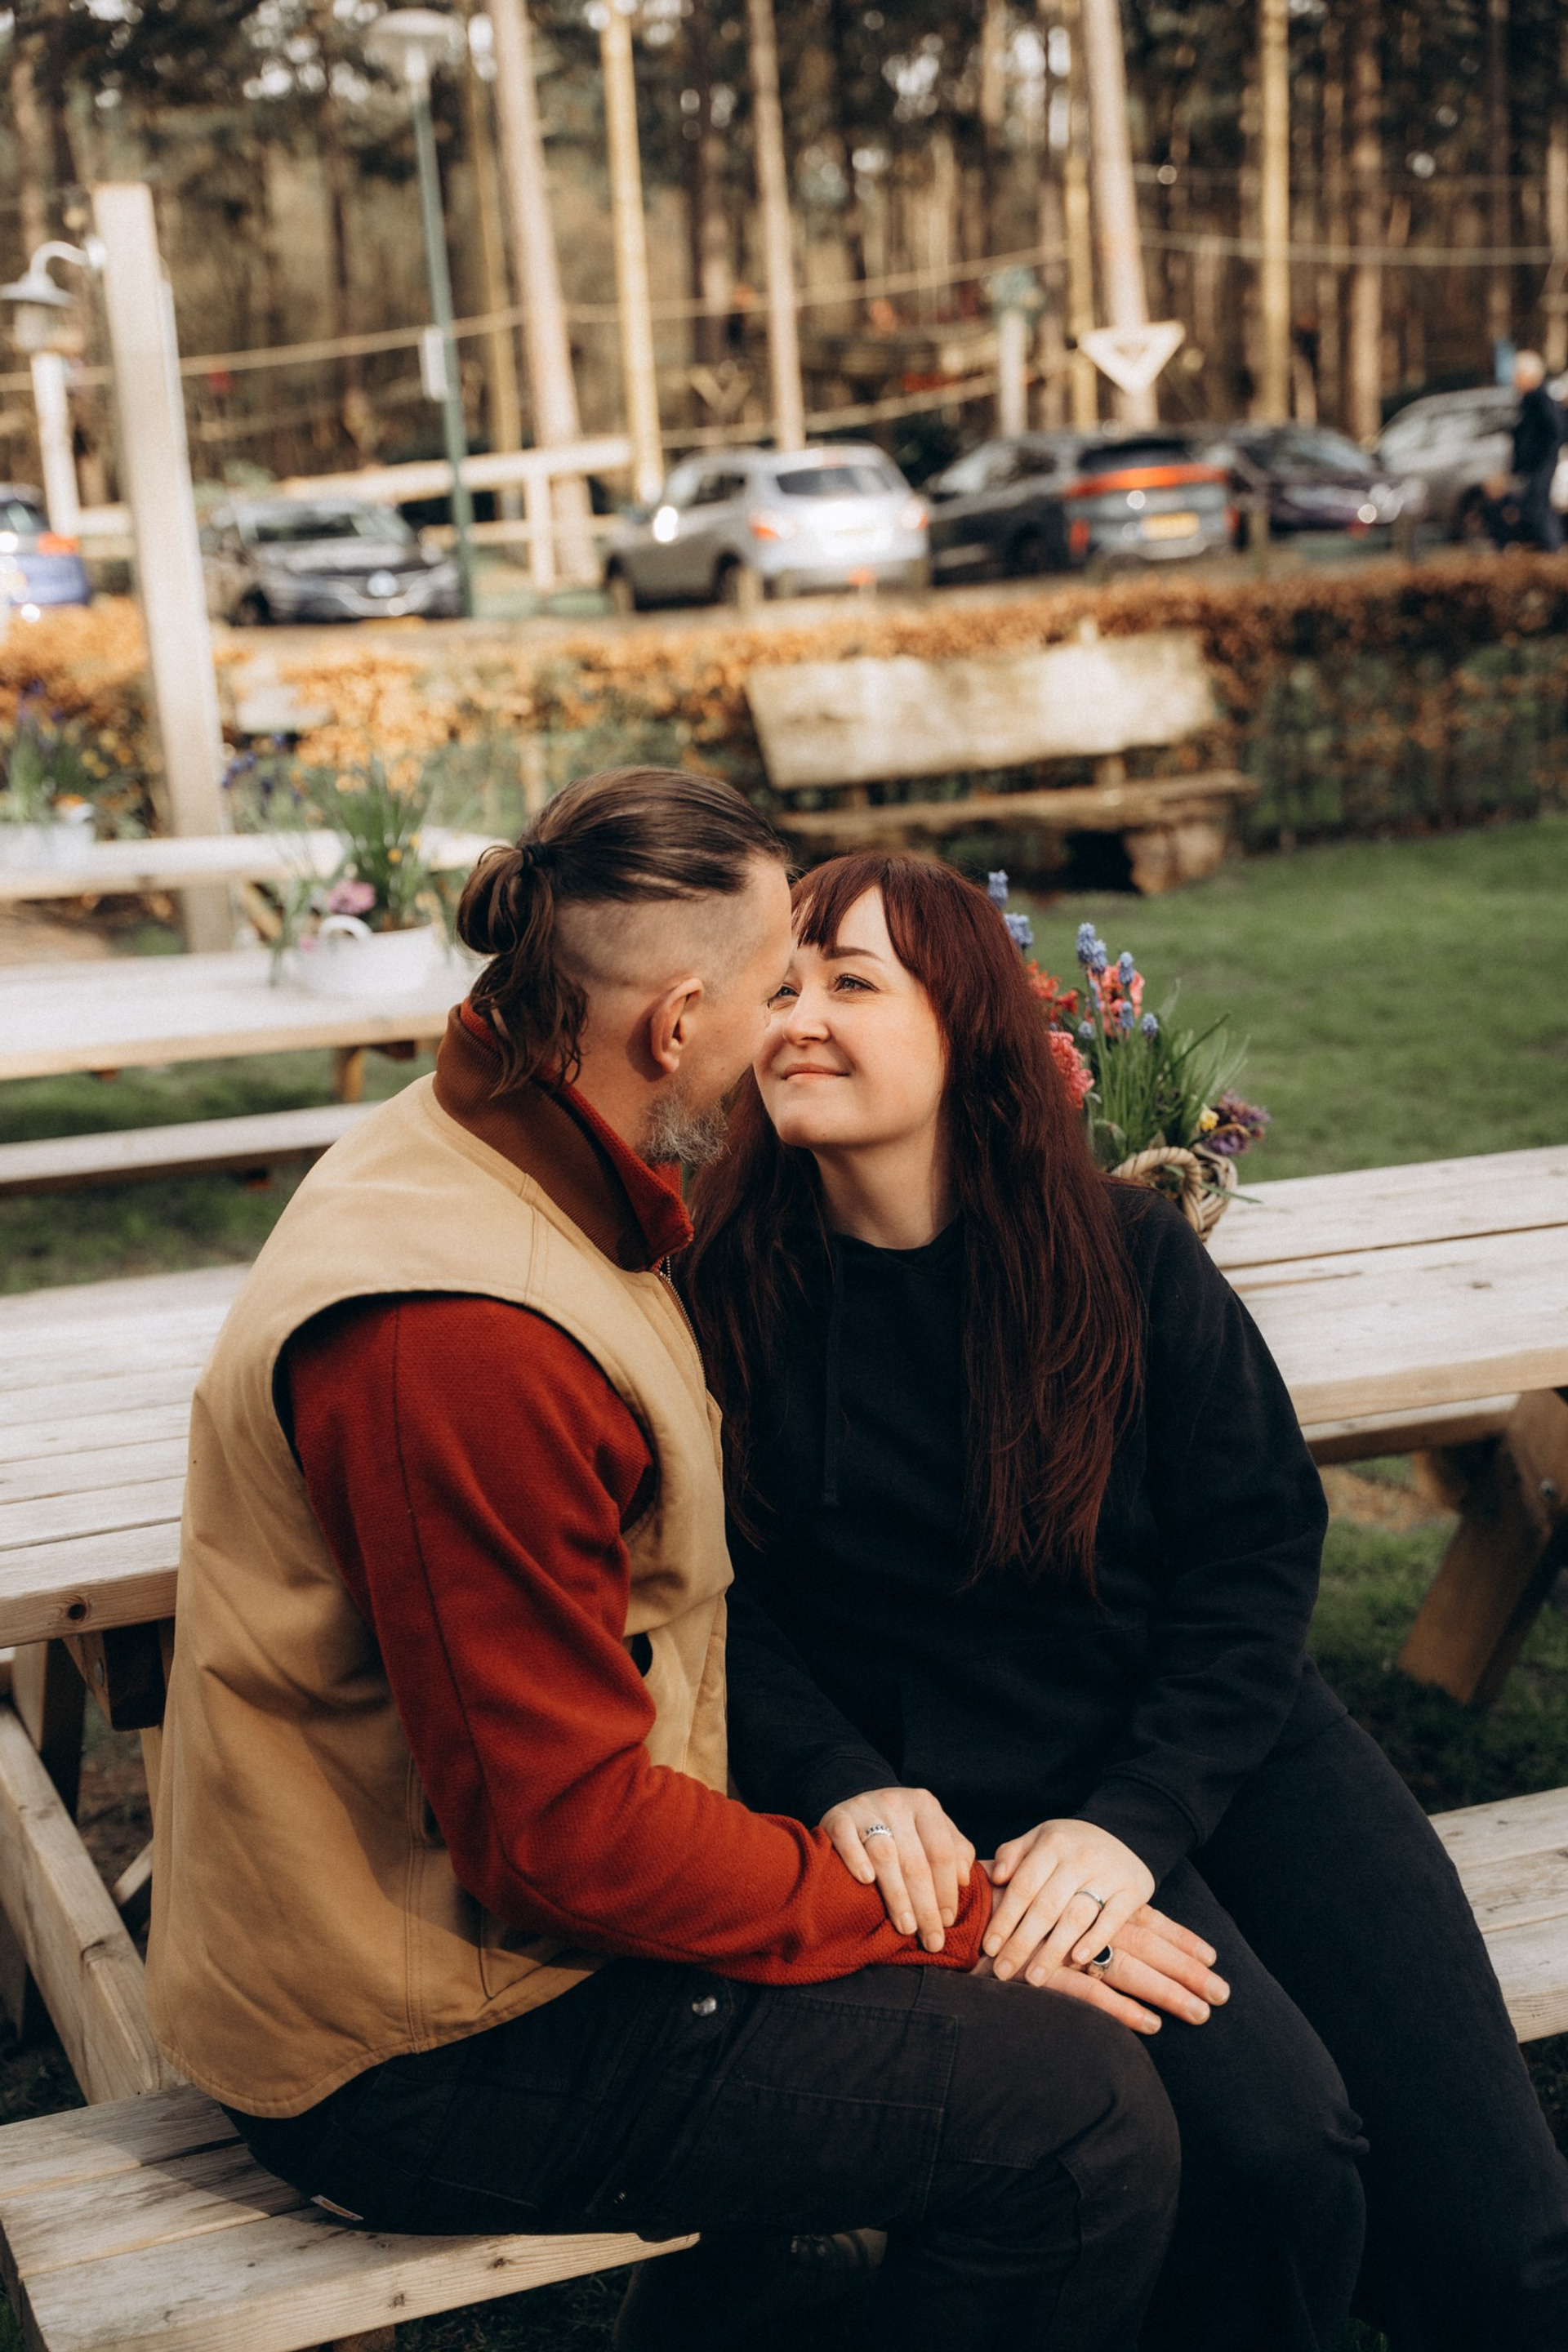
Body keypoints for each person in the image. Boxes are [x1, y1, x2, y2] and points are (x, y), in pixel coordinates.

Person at [144, 770, 1205, 2352]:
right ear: (676, 1020)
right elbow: (559, 1841)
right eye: (781, 984)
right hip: (420, 2033)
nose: (793, 1023)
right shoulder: (460, 1344)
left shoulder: (506, 1133)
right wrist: (961, 1915)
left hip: (483, 1919)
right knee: (1077, 2120)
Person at [683, 851, 1568, 2352]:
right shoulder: (723, 1295)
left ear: (965, 1027)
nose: (797, 1020)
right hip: (975, 1803)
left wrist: (1139, 1819)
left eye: (848, 982)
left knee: (1504, 2236)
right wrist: (842, 1782)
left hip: (1225, 1745)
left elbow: (1254, 1555)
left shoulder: (1127, 1253)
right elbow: (717, 1605)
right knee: (1277, 2158)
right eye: (778, 986)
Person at [1490, 350, 1566, 551]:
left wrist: (1540, 457)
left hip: (1540, 464)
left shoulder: (1539, 399)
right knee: (1535, 508)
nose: (1514, 379)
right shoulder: (1530, 400)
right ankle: (1550, 551)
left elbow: (1554, 431)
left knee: (1536, 509)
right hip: (1534, 465)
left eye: (1517, 374)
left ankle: (1552, 551)